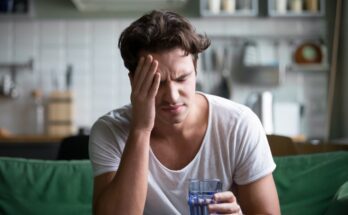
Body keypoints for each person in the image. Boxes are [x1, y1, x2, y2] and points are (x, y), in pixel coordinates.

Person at [89, 10, 280, 215]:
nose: (172, 96)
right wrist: (141, 129)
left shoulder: (240, 125)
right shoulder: (109, 130)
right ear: (134, 82)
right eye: (157, 82)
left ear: (196, 70)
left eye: (182, 79)